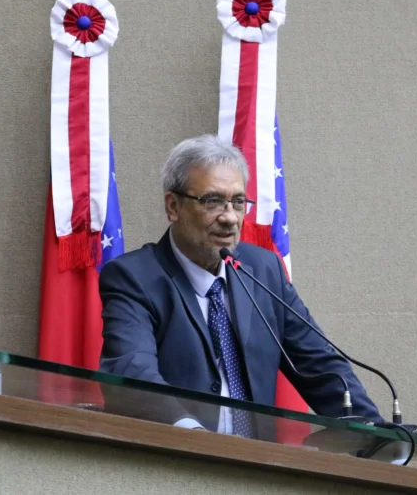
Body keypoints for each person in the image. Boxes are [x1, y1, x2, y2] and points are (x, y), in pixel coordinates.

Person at [98, 134, 382, 437]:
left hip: (255, 461)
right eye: (212, 202)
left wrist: (380, 437)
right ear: (173, 206)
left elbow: (322, 367)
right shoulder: (134, 277)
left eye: (238, 202)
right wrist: (193, 436)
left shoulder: (264, 271)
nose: (230, 218)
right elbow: (132, 373)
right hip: (178, 455)